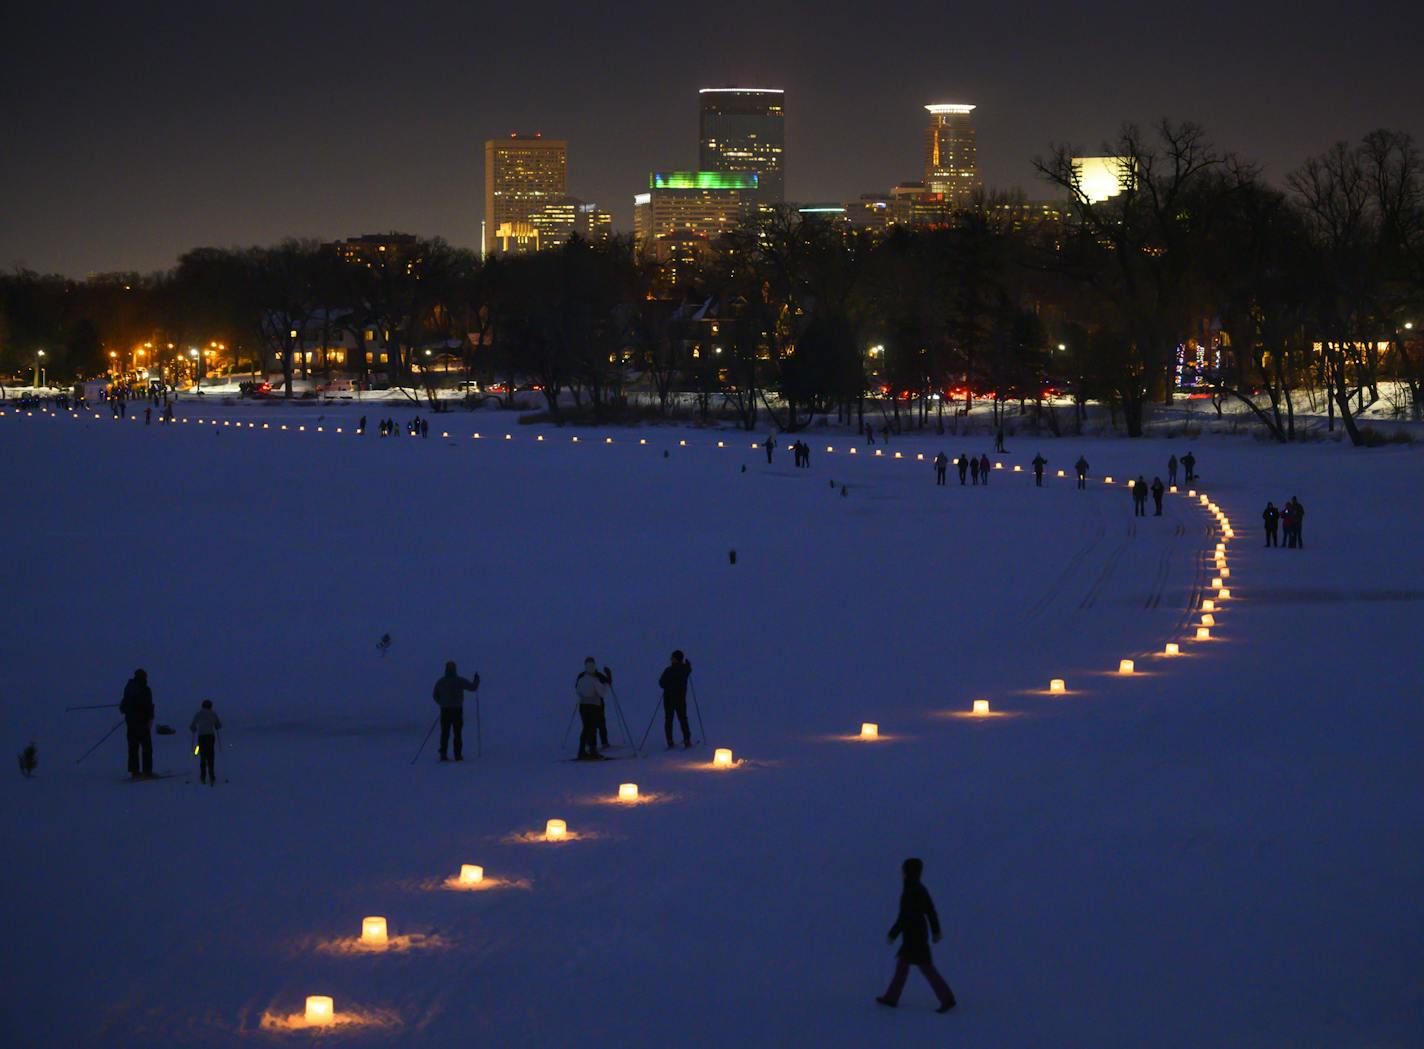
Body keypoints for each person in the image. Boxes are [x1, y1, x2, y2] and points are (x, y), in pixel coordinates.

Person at [876, 858, 956, 1013]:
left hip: (914, 935)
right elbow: (930, 911)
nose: (902, 874)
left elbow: (904, 916)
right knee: (904, 966)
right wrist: (935, 931)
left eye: (903, 871)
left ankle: (947, 999)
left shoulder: (910, 890)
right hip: (917, 933)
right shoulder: (919, 889)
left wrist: (893, 933)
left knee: (925, 967)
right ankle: (891, 998)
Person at [432, 661, 480, 761]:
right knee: (457, 732)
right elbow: (473, 687)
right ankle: (457, 755)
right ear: (455, 669)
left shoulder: (441, 682)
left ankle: (443, 754)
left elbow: (435, 695)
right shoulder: (459, 681)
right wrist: (476, 680)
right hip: (457, 710)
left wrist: (442, 703)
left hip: (445, 710)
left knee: (445, 732)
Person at [574, 659, 612, 760]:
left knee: (586, 728)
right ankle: (593, 751)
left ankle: (582, 751)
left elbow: (577, 690)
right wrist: (607, 684)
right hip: (594, 706)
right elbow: (603, 693)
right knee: (593, 728)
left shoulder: (582, 678)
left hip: (583, 706)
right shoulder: (595, 680)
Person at [120, 668, 155, 778]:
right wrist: (150, 717)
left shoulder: (129, 688)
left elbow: (123, 705)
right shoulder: (145, 689)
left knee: (133, 747)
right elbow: (148, 705)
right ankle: (147, 771)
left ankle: (134, 772)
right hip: (142, 722)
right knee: (147, 747)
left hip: (130, 721)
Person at [658, 651, 694, 749]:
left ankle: (670, 741)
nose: (671, 659)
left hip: (669, 698)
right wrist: (688, 665)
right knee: (683, 719)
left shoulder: (669, 670)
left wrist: (668, 684)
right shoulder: (684, 669)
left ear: (675, 659)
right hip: (681, 698)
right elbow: (688, 670)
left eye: (672, 657)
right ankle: (687, 740)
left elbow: (661, 683)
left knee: (669, 719)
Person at [189, 699, 222, 786]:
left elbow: (192, 726)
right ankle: (212, 776)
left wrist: (194, 729)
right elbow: (218, 725)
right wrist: (216, 726)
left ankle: (203, 776)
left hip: (202, 737)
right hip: (210, 736)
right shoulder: (213, 713)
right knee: (211, 755)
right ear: (210, 706)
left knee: (202, 756)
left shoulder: (199, 714)